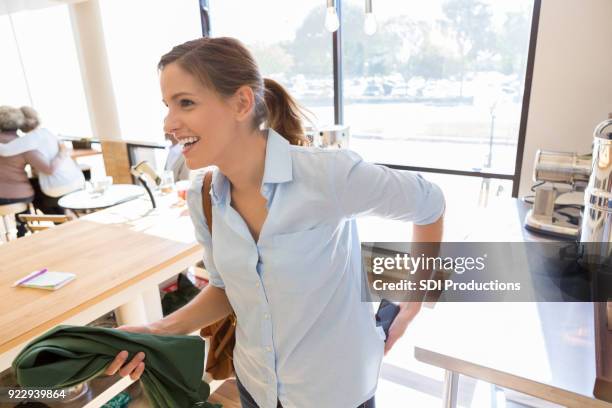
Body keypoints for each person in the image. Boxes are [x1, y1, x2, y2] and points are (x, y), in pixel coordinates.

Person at [105, 37, 445, 408]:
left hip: (337, 392)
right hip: (258, 388)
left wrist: (413, 301)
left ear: (241, 102)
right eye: (167, 105)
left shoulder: (328, 176)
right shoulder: (204, 197)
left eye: (185, 103)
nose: (169, 123)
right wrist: (157, 331)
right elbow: (225, 288)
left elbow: (430, 203)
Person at [0, 106, 85, 215]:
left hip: (58, 186)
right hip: (77, 179)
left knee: (37, 193)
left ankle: (61, 220)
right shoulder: (47, 132)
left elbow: (5, 150)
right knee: (32, 190)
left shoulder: (27, 140)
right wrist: (62, 153)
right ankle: (65, 218)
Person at [0, 106, 67, 237]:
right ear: (19, 123)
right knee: (36, 188)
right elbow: (49, 169)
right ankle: (60, 222)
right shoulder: (23, 144)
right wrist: (62, 152)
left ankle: (22, 227)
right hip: (16, 197)